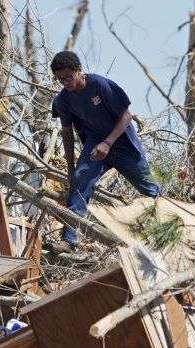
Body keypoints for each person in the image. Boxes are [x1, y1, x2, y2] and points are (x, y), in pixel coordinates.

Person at [50, 51, 159, 251]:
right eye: (60, 80)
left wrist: (108, 143)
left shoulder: (100, 85)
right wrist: (70, 167)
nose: (65, 82)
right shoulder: (63, 100)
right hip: (95, 145)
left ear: (78, 70)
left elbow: (127, 116)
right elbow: (66, 132)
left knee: (150, 190)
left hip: (122, 143)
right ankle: (69, 239)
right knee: (81, 179)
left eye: (68, 77)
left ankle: (166, 229)